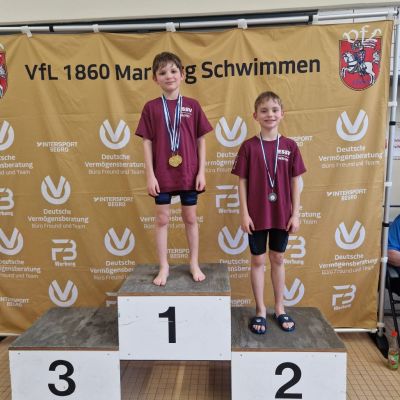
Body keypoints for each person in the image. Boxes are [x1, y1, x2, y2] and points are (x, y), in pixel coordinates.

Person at [231, 91, 306, 334]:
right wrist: (244, 213)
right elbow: (242, 181)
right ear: (255, 116)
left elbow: (296, 181)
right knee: (257, 260)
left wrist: (295, 214)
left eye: (274, 110)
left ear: (282, 114)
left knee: (278, 258)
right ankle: (260, 309)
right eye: (264, 111)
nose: (269, 114)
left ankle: (280, 308)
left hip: (281, 214)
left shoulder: (290, 146)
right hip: (256, 215)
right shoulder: (249, 146)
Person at [136, 52, 213, 286]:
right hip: (162, 174)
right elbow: (146, 142)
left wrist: (201, 172)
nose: (168, 76)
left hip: (189, 172)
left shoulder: (192, 105)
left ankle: (194, 263)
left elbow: (201, 140)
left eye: (173, 71)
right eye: (162, 72)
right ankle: (164, 266)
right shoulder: (151, 108)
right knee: (162, 219)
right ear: (155, 78)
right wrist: (150, 175)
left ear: (182, 75)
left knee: (190, 217)